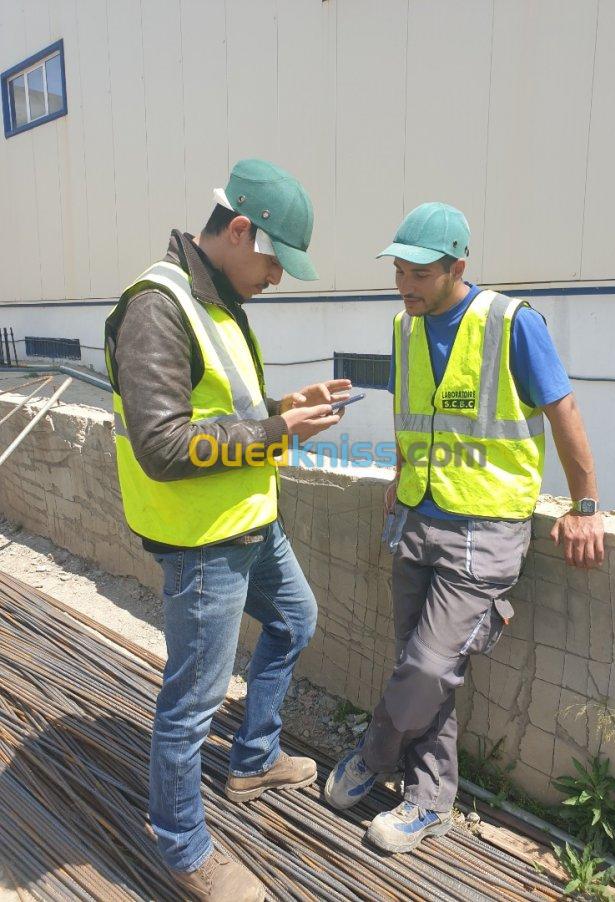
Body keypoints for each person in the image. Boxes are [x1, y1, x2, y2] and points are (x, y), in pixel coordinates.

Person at [325, 202, 604, 853]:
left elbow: (563, 409)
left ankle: (373, 754)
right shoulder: (405, 326)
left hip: (486, 529)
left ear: (458, 266)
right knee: (423, 669)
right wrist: (398, 471)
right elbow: (410, 410)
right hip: (418, 517)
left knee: (426, 667)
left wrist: (585, 504)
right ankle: (428, 803)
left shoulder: (511, 323)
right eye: (398, 271)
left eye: (418, 273)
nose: (405, 285)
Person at [105, 159, 350, 900]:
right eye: (275, 261)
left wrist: (283, 404)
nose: (276, 278)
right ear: (239, 230)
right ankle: (182, 847)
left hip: (250, 521)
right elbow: (164, 444)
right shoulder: (158, 306)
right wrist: (277, 428)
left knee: (295, 620)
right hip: (205, 540)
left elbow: (223, 407)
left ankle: (253, 760)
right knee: (190, 705)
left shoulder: (216, 301)